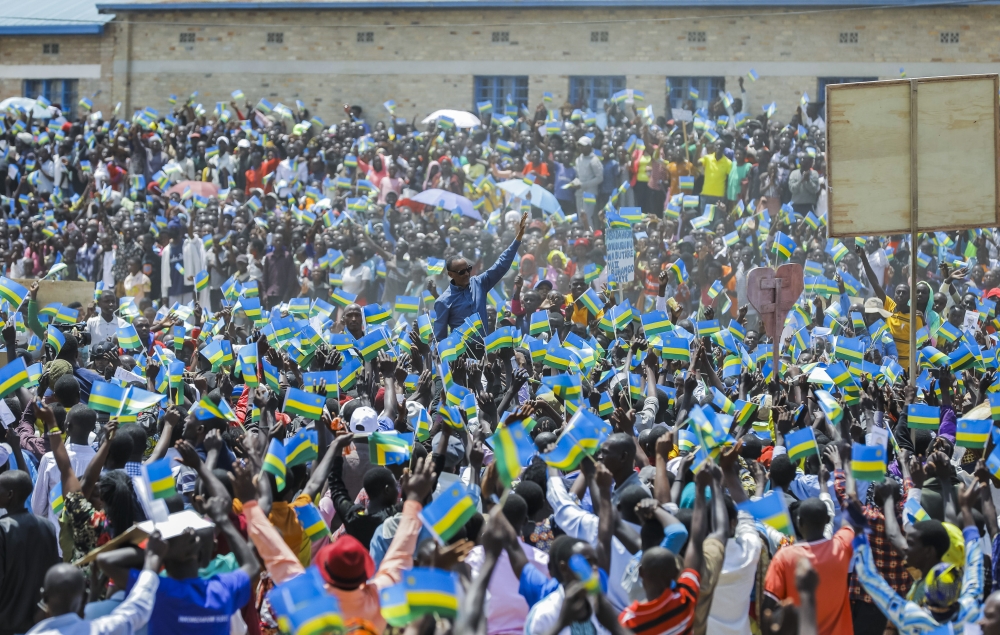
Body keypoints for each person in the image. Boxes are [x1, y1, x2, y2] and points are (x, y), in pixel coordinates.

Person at [26, 532, 165, 635]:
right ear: (84, 599)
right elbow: (135, 611)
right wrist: (151, 560)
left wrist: (92, 598)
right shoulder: (99, 630)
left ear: (44, 598)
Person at [433, 211, 527, 342]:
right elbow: (440, 339)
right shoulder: (443, 301)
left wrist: (518, 239)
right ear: (450, 274)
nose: (466, 274)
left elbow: (500, 265)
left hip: (484, 352)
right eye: (461, 272)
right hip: (461, 357)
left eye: (468, 269)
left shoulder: (479, 283)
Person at [0, 468, 60, 635]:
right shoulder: (47, 526)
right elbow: (52, 573)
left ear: (10, 495)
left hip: (6, 623)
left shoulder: (2, 529)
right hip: (38, 621)